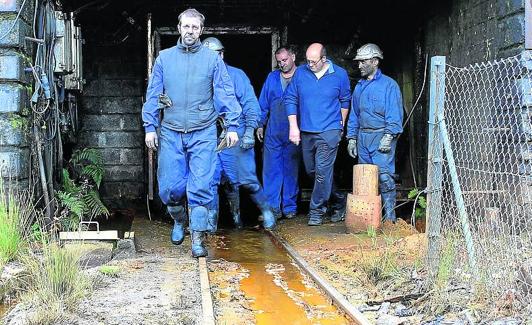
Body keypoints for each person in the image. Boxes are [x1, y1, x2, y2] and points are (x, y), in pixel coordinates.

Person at [142, 9, 241, 258]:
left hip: (203, 131)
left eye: (195, 28)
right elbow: (154, 93)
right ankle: (179, 219)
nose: (190, 31)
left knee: (201, 186)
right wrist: (150, 127)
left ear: (201, 30)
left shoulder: (212, 60)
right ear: (179, 28)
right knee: (170, 188)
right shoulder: (164, 58)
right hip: (172, 131)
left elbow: (225, 92)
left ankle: (197, 239)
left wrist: (232, 126)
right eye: (186, 26)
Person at [203, 37, 276, 231]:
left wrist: (250, 131)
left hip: (236, 132)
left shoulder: (237, 75)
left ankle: (266, 211)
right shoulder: (198, 79)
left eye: (215, 55)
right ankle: (213, 225)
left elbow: (251, 104)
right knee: (211, 182)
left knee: (246, 179)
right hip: (210, 136)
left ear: (222, 54)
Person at [285, 43, 351, 226]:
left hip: (329, 130)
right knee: (312, 171)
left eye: (313, 61)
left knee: (322, 172)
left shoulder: (339, 74)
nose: (310, 64)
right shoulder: (301, 73)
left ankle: (316, 212)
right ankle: (339, 200)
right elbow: (291, 98)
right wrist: (293, 126)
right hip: (307, 130)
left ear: (324, 59)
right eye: (307, 61)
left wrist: (341, 124)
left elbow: (345, 100)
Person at [346, 43, 403, 222]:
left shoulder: (389, 85)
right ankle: (370, 220)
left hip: (381, 137)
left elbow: (395, 113)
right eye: (359, 62)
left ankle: (390, 219)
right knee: (366, 180)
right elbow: (355, 114)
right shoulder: (359, 86)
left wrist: (389, 136)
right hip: (363, 137)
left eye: (363, 62)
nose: (359, 65)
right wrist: (352, 138)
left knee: (384, 177)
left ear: (375, 61)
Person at [257, 46, 300, 220]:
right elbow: (263, 103)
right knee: (271, 170)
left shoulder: (303, 76)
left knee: (291, 169)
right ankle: (273, 208)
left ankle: (289, 207)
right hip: (273, 131)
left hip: (294, 130)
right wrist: (260, 124)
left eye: (285, 60)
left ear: (293, 57)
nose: (282, 64)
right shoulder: (272, 77)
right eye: (279, 61)